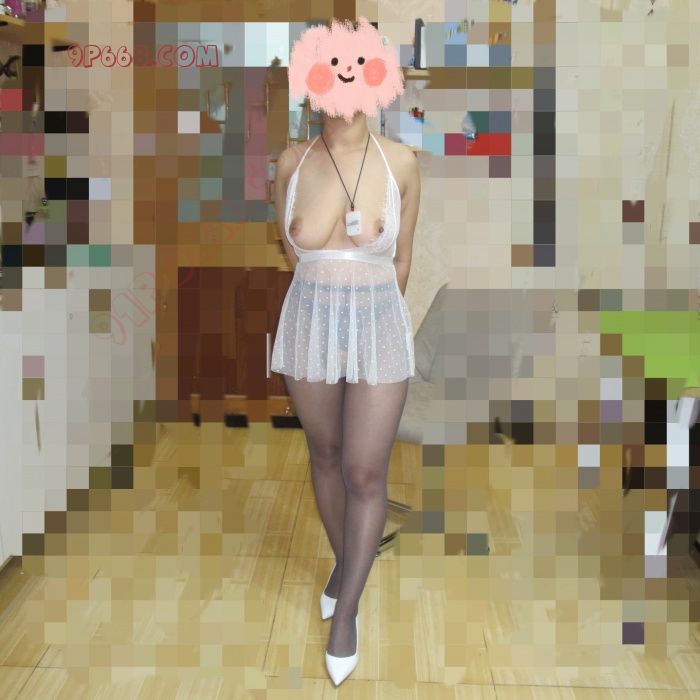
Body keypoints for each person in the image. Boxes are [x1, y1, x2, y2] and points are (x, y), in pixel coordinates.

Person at [270, 17, 421, 686]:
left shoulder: (402, 163)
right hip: (310, 321)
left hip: (378, 325)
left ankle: (346, 612)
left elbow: (404, 258)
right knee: (325, 455)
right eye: (329, 65)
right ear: (311, 77)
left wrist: (376, 320)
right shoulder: (290, 163)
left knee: (365, 470)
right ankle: (347, 564)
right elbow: (291, 252)